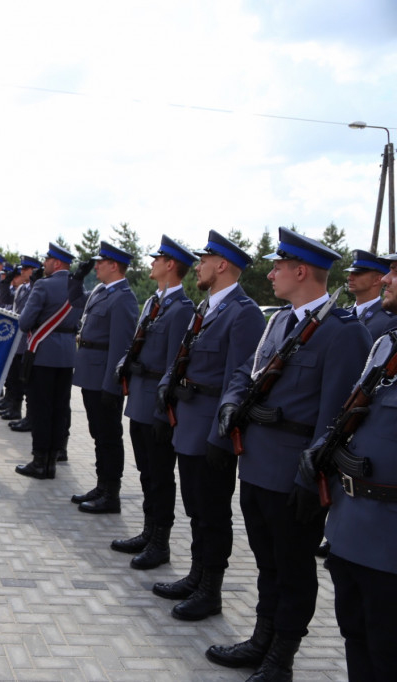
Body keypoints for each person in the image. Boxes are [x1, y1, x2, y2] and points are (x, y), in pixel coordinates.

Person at [206, 229, 371, 679]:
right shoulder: (278, 321)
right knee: (266, 560)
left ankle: (282, 655)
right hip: (256, 462)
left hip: (294, 472)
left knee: (294, 567)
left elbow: (337, 417)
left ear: (301, 271)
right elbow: (246, 371)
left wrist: (312, 478)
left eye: (278, 266)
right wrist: (227, 405)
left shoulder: (343, 333)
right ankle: (261, 637)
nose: (271, 272)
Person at [152, 229, 265, 621]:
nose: (197, 267)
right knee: (196, 508)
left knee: (213, 511)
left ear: (222, 266)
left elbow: (238, 378)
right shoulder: (205, 309)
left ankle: (211, 590)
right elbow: (182, 359)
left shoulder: (244, 313)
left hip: (210, 429)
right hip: (188, 420)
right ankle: (196, 575)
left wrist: (221, 435)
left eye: (203, 261)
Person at [308, 253, 397, 679]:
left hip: (390, 540)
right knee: (356, 638)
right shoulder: (386, 345)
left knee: (386, 650)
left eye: (396, 274)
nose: (387, 280)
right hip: (352, 529)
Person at [110, 236, 196, 570]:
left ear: (170, 265)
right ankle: (148, 531)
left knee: (160, 475)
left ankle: (160, 542)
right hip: (140, 401)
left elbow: (176, 364)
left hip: (158, 405)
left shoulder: (182, 309)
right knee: (146, 472)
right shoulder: (152, 304)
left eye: (157, 259)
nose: (151, 264)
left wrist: (164, 410)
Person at [70, 241, 139, 513]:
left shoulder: (122, 297)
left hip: (103, 378)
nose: (96, 265)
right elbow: (75, 301)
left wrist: (112, 385)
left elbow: (122, 345)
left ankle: (111, 493)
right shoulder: (101, 292)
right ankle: (102, 485)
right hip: (91, 375)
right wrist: (77, 278)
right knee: (98, 433)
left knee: (109, 435)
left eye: (101, 262)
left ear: (114, 266)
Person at [14, 244, 83, 479]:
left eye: (47, 260)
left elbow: (25, 323)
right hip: (66, 356)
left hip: (42, 355)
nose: (43, 264)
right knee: (59, 409)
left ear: (56, 263)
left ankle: (40, 461)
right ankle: (54, 457)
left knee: (40, 409)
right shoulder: (78, 286)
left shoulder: (43, 285)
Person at [0, 258, 40, 422]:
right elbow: (5, 299)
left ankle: (28, 415)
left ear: (35, 271)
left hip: (27, 343)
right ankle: (13, 408)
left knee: (25, 382)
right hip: (17, 341)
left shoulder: (37, 288)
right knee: (13, 377)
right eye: (22, 269)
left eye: (27, 269)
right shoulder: (22, 289)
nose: (22, 272)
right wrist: (6, 281)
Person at [346, 248, 397, 339]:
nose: (349, 278)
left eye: (357, 274)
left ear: (377, 279)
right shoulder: (344, 313)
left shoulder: (389, 321)